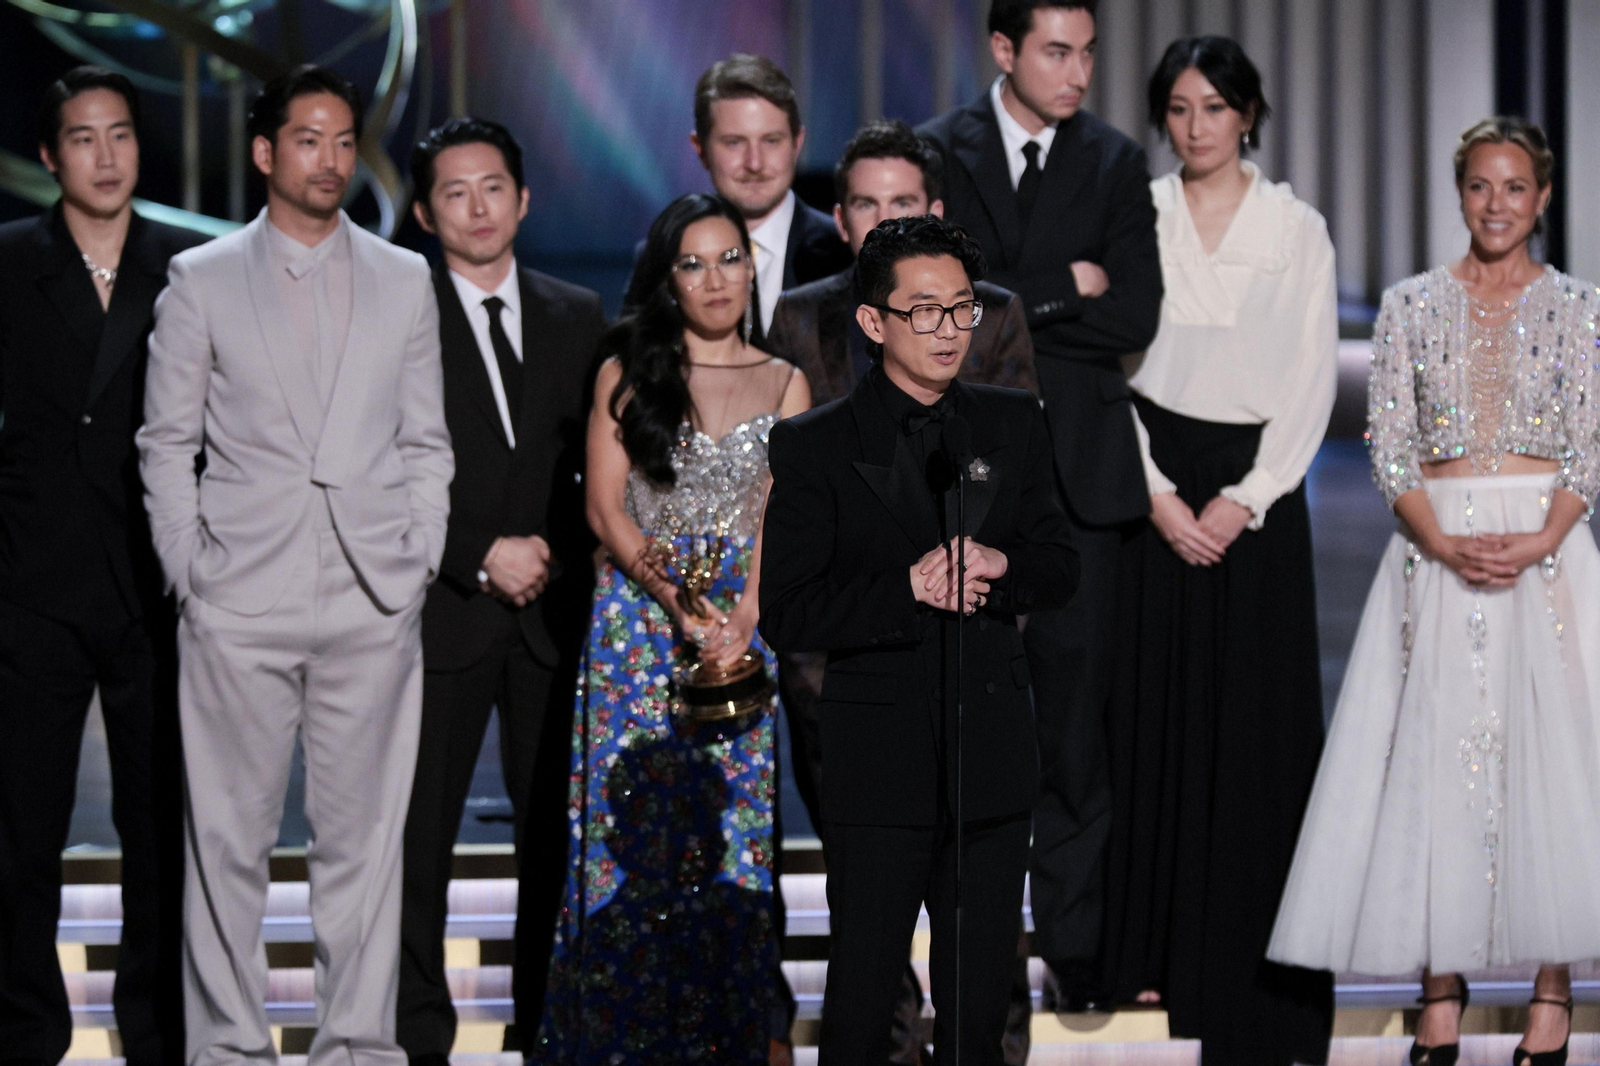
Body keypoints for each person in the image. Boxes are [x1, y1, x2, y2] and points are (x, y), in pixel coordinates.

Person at [137, 65, 453, 1065]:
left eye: (344, 139)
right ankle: (229, 1048)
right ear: (266, 150)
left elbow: (426, 441)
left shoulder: (403, 277)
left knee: (363, 847)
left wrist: (418, 557)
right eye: (309, 139)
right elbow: (165, 440)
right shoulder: (201, 277)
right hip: (239, 595)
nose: (330, 158)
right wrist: (191, 570)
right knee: (225, 844)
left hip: (373, 593)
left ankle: (356, 1044)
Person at [1270, 116, 1600, 1066]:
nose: (1497, 205)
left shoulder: (1579, 308)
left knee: (1554, 766)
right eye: (1480, 186)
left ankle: (1552, 990)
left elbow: (1588, 439)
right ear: (1459, 193)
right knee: (1434, 763)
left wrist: (1541, 538)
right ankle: (1439, 988)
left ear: (1543, 198)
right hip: (1434, 551)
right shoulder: (1410, 305)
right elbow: (1390, 445)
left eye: (1515, 187)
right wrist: (1444, 542)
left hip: (1547, 551)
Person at [759, 214, 1080, 1063]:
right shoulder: (814, 444)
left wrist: (1001, 567)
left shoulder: (1013, 422)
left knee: (978, 1010)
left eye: (963, 309)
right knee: (864, 1000)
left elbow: (1060, 566)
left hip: (991, 752)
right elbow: (788, 612)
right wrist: (905, 588)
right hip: (877, 759)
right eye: (925, 311)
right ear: (873, 321)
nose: (949, 330)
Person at [918, 0, 1162, 1009]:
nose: (1079, 72)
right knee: (959, 725)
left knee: (1072, 730)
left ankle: (1073, 950)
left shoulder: (1111, 160)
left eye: (1088, 52)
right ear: (1003, 49)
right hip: (960, 477)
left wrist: (1004, 300)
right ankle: (969, 954)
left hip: (1082, 483)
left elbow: (1134, 311)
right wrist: (1062, 286)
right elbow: (934, 312)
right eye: (1057, 51)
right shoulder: (939, 150)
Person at [1099, 37, 1337, 1065]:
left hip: (1256, 501)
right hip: (1152, 486)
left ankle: (1246, 965)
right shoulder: (1136, 215)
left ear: (1248, 113)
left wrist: (1249, 497)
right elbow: (1103, 370)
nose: (1196, 127)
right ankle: (1150, 953)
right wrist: (1154, 495)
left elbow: (1312, 376)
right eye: (1180, 109)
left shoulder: (1295, 228)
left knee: (1252, 732)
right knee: (1148, 721)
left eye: (1215, 107)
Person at [534, 192, 809, 1065]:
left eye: (730, 258)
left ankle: (726, 1039)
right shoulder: (626, 372)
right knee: (625, 841)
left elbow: (783, 520)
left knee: (730, 842)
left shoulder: (786, 381)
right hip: (636, 630)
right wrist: (674, 600)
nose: (716, 279)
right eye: (693, 263)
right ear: (667, 279)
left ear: (752, 268)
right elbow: (604, 509)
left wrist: (745, 619)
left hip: (737, 636)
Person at [0, 66, 205, 1066]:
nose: (106, 155)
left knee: (159, 824)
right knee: (20, 830)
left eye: (120, 133)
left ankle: (154, 1031)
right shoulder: (10, 261)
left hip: (153, 581)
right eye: (83, 138)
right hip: (30, 580)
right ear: (50, 156)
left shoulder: (190, 266)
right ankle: (25, 1030)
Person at [397, 117, 605, 1066]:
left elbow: (599, 463)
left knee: (554, 840)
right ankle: (417, 1037)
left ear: (523, 199)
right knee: (417, 844)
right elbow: (374, 467)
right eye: (455, 191)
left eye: (493, 188)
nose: (477, 208)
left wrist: (554, 554)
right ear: (423, 212)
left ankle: (546, 1026)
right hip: (440, 611)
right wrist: (477, 554)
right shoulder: (397, 313)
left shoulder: (578, 312)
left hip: (553, 616)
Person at [632, 54, 850, 343]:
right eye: (734, 143)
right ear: (700, 148)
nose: (754, 163)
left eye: (771, 141)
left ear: (797, 143)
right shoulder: (661, 256)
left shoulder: (845, 253)